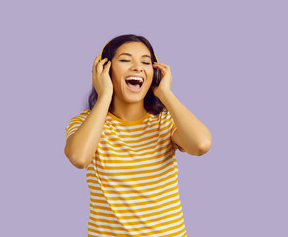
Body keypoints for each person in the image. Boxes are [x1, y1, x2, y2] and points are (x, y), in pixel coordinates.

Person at [64, 34, 212, 237]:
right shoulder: (85, 123)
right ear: (104, 72)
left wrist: (165, 93)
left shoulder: (165, 122)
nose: (137, 67)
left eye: (145, 62)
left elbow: (201, 144)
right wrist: (105, 95)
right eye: (125, 60)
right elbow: (79, 158)